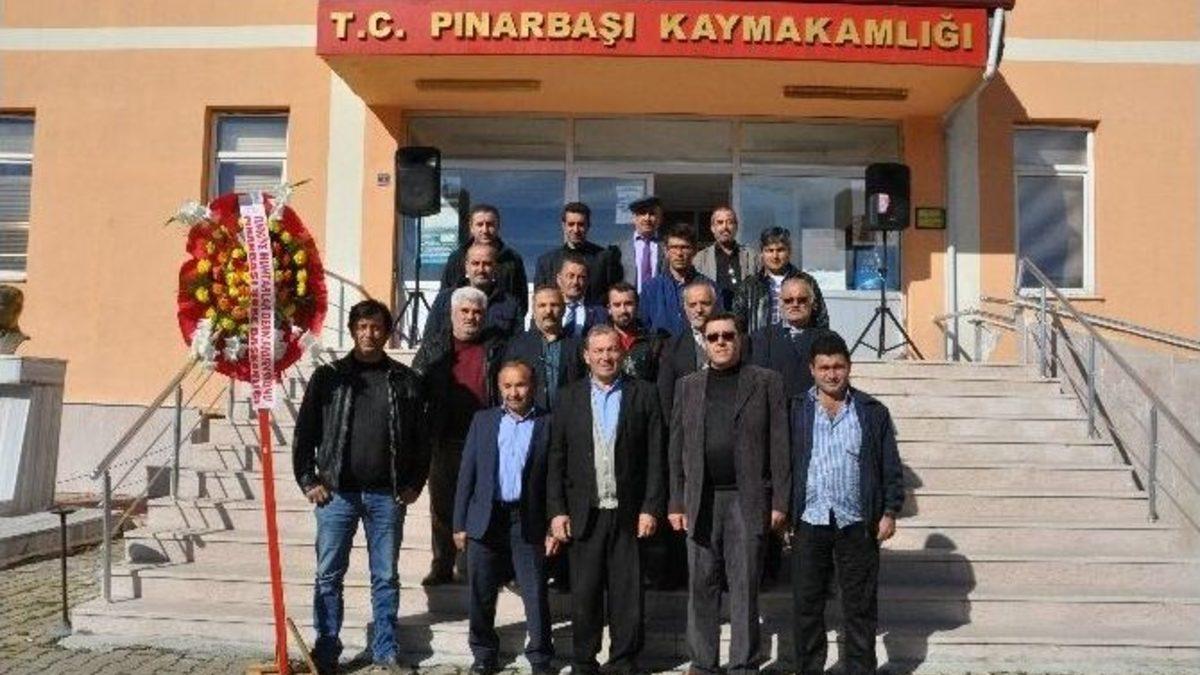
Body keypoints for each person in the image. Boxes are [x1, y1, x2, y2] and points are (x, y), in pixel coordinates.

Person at [292, 299, 428, 674]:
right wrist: (308, 479)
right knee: (329, 575)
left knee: (385, 577)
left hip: (387, 496)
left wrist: (415, 482)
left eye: (377, 327)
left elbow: (421, 438)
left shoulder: (405, 380)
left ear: (387, 332)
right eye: (363, 327)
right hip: (337, 494)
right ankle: (326, 650)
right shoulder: (329, 377)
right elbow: (305, 433)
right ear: (353, 330)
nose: (369, 334)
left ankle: (385, 650)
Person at [667, 312, 789, 675]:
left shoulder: (766, 382)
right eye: (713, 337)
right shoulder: (687, 386)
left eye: (728, 335)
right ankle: (703, 664)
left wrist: (780, 501)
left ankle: (743, 664)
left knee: (744, 586)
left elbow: (780, 445)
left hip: (746, 499)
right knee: (701, 584)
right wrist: (676, 500)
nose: (721, 342)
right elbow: (676, 448)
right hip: (700, 499)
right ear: (704, 343)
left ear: (740, 339)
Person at [547, 325, 666, 675]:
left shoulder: (644, 393)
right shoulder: (567, 397)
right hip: (584, 512)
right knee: (584, 594)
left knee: (627, 594)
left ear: (622, 353)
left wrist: (651, 507)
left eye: (612, 350)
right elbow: (556, 458)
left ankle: (624, 662)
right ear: (586, 356)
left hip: (629, 513)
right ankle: (584, 662)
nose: (605, 357)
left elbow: (656, 456)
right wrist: (556, 511)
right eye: (598, 351)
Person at [790, 332, 905, 675]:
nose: (831, 374)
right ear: (812, 369)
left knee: (860, 605)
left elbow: (890, 466)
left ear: (849, 367)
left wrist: (889, 511)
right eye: (824, 367)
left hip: (856, 521)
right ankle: (809, 668)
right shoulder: (795, 409)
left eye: (838, 366)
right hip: (810, 519)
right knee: (807, 605)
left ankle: (860, 668)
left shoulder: (872, 412)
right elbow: (782, 464)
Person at [453, 361, 557, 675]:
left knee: (534, 591)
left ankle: (540, 658)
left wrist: (553, 524)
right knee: (481, 591)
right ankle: (484, 654)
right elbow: (467, 473)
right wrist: (459, 523)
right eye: (507, 386)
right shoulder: (483, 421)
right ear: (499, 388)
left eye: (520, 385)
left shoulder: (549, 423)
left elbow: (555, 479)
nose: (514, 392)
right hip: (486, 518)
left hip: (527, 519)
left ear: (533, 386)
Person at [412, 287, 508, 586]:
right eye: (464, 311)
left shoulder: (496, 347)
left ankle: (472, 566)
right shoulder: (434, 347)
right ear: (453, 314)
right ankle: (442, 565)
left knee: (481, 505)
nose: (470, 317)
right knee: (442, 506)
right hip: (444, 438)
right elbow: (415, 388)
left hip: (484, 440)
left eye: (477, 312)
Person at [732, 228, 828, 335]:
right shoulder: (749, 286)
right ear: (762, 253)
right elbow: (738, 324)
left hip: (799, 342)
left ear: (789, 252)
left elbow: (821, 320)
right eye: (770, 250)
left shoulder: (806, 282)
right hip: (759, 343)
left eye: (780, 250)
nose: (775, 256)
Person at [440, 204, 529, 319]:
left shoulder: (512, 259)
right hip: (464, 323)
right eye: (480, 224)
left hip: (500, 325)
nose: (485, 230)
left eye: (490, 224)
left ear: (498, 227)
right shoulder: (457, 257)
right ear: (471, 227)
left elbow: (521, 301)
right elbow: (445, 298)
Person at [503, 285, 585, 411]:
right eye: (542, 305)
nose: (548, 311)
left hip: (567, 416)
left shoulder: (578, 346)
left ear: (563, 309)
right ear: (533, 311)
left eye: (554, 305)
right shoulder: (517, 346)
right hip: (530, 417)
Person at [750, 275, 830, 401]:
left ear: (813, 303)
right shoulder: (760, 338)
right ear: (780, 304)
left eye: (802, 300)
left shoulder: (829, 339)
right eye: (788, 300)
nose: (795, 304)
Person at [425, 242, 524, 340]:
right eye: (475, 263)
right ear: (466, 266)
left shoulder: (510, 304)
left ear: (495, 268)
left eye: (487, 264)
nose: (481, 270)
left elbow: (518, 343)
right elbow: (430, 338)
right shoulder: (446, 299)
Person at [534, 202, 623, 305]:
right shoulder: (546, 262)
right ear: (563, 226)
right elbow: (539, 300)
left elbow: (614, 297)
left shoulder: (604, 259)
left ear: (588, 225)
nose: (576, 230)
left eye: (581, 224)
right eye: (571, 224)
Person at [640, 223, 720, 336]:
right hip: (661, 347)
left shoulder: (710, 288)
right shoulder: (650, 288)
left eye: (685, 247)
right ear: (666, 251)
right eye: (674, 247)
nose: (679, 253)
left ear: (695, 251)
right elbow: (642, 329)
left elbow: (718, 325)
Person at [656, 282, 718, 422]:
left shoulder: (734, 341)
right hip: (689, 426)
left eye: (705, 303)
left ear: (715, 304)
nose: (699, 310)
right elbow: (665, 398)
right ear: (684, 308)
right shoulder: (672, 348)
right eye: (692, 305)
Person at [605, 281, 668, 383]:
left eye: (628, 304)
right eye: (617, 305)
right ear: (609, 309)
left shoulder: (654, 343)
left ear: (637, 306)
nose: (623, 310)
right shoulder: (599, 341)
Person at [693, 207, 754, 309]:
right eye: (720, 222)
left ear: (736, 227)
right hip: (714, 315)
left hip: (745, 316)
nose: (725, 227)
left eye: (730, 222)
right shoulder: (700, 259)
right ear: (713, 228)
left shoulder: (752, 257)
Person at [616, 195, 666, 293]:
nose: (647, 218)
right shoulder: (620, 248)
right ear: (634, 218)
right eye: (642, 213)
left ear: (659, 219)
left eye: (652, 214)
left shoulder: (666, 247)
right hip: (630, 300)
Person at [557, 252, 608, 339]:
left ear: (587, 281)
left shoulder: (600, 313)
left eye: (581, 277)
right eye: (570, 276)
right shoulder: (548, 308)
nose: (575, 282)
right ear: (559, 279)